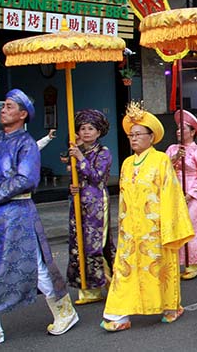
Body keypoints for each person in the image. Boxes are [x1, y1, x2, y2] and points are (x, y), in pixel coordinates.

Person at [101, 102, 193, 332]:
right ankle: (118, 314)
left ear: (151, 137)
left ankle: (171, 306)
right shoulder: (126, 163)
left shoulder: (161, 160)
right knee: (124, 270)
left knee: (158, 271)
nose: (133, 138)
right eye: (130, 135)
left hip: (155, 229)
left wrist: (170, 228)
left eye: (138, 134)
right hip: (130, 231)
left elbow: (171, 194)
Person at [0, 89, 79, 344]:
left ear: (22, 115)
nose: (3, 109)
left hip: (18, 215)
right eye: (3, 105)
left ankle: (65, 312)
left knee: (37, 266)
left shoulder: (26, 143)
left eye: (9, 106)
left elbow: (26, 179)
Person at [67, 109, 115, 304]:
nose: (86, 132)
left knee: (95, 244)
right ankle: (88, 289)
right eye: (83, 128)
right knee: (79, 243)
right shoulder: (76, 151)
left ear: (98, 132)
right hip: (78, 202)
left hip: (96, 203)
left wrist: (80, 158)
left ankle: (109, 283)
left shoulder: (103, 153)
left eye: (91, 128)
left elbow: (97, 177)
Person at [165, 109, 197, 280]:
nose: (178, 132)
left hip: (193, 194)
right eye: (177, 128)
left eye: (182, 129)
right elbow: (164, 169)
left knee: (191, 228)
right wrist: (175, 159)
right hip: (174, 191)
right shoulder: (171, 149)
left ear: (192, 132)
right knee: (175, 227)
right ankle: (177, 261)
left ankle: (194, 263)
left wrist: (190, 195)